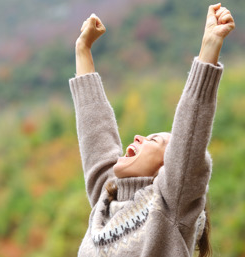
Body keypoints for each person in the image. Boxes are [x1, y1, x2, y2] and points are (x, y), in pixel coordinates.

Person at [68, 3, 235, 257]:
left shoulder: (168, 207)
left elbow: (189, 136)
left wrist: (210, 43)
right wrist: (83, 49)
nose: (138, 138)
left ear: (167, 168)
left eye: (153, 140)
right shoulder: (105, 200)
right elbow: (95, 130)